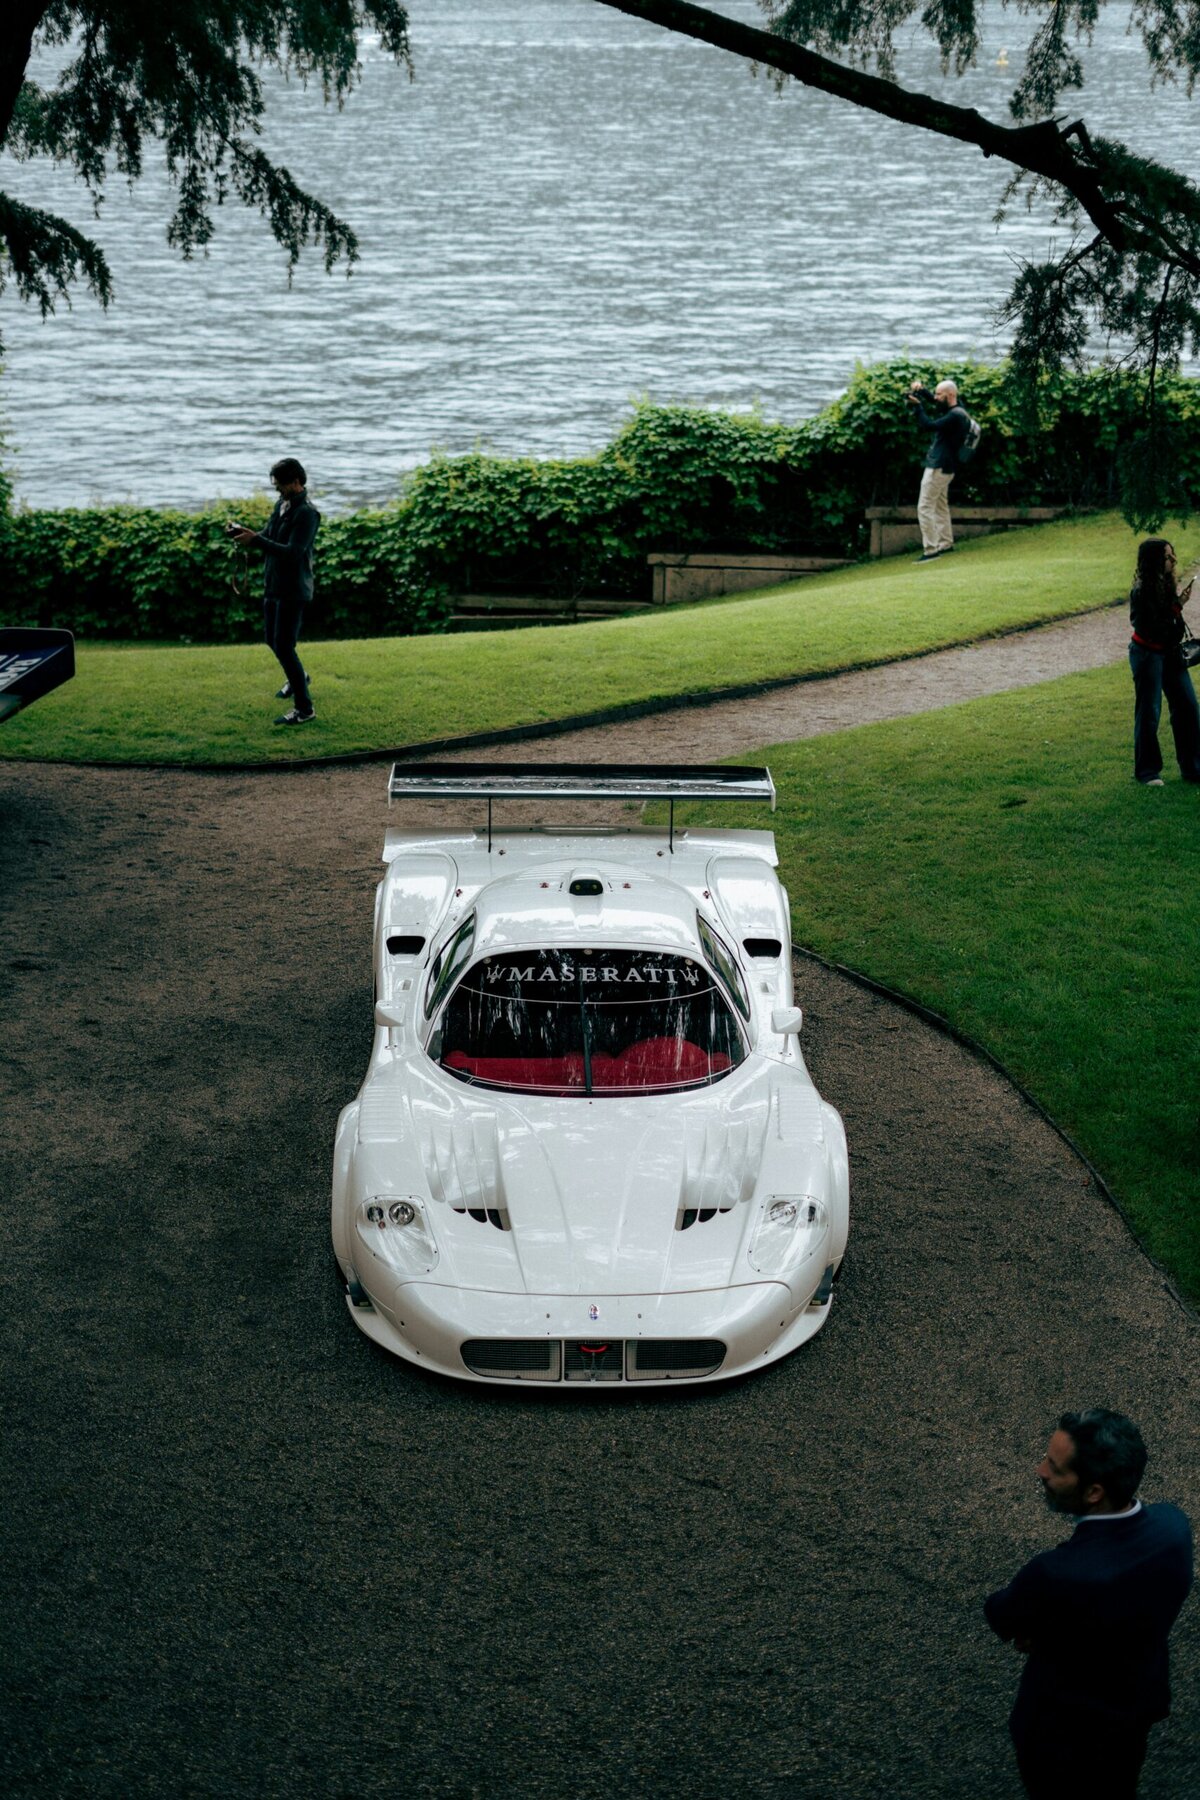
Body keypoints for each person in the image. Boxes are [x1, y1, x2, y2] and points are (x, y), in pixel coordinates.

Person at [984, 1409, 1193, 1799]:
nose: (1040, 1470)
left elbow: (1000, 1613)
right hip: (1134, 1707)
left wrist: (1041, 1634)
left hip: (1061, 1731)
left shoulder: (1054, 1574)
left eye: (1054, 1466)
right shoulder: (1174, 1528)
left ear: (1094, 1491)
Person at [230, 457, 320, 725]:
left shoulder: (308, 514)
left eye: (281, 485)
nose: (277, 489)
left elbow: (294, 552)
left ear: (296, 482)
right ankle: (298, 678)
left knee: (283, 644)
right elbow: (269, 534)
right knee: (272, 639)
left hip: (293, 589)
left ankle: (305, 709)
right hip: (274, 584)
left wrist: (256, 540)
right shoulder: (280, 505)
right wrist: (247, 535)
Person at [1128, 537, 1200, 785]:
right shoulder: (1141, 590)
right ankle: (1147, 772)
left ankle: (1193, 769)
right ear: (1155, 561)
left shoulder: (1165, 584)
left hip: (1169, 653)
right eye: (1168, 557)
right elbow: (1151, 627)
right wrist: (1176, 608)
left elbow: (1170, 624)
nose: (1174, 560)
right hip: (1148, 654)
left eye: (1172, 555)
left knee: (1188, 708)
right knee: (1149, 712)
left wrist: (1177, 605)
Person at [905, 377, 969, 562]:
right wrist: (922, 390)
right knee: (941, 506)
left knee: (924, 507)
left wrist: (917, 406)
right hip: (948, 467)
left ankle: (931, 550)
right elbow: (936, 402)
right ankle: (946, 542)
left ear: (950, 395)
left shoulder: (953, 416)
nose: (936, 397)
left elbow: (928, 426)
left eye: (939, 394)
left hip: (938, 466)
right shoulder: (959, 409)